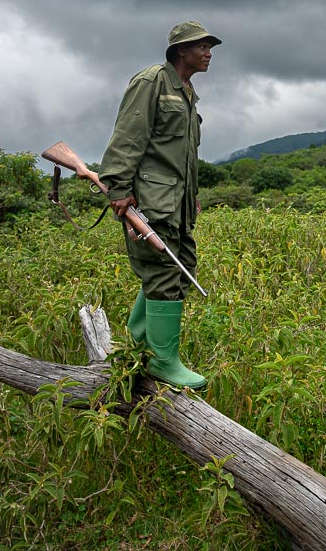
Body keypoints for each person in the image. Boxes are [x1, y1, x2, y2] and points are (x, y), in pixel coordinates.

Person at [97, 21, 220, 389]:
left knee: (174, 268)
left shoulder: (187, 91)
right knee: (164, 271)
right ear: (182, 50)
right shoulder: (152, 82)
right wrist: (117, 187)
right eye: (202, 47)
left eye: (210, 47)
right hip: (151, 200)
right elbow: (128, 136)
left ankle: (138, 347)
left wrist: (191, 195)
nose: (209, 53)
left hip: (176, 202)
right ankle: (163, 362)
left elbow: (183, 155)